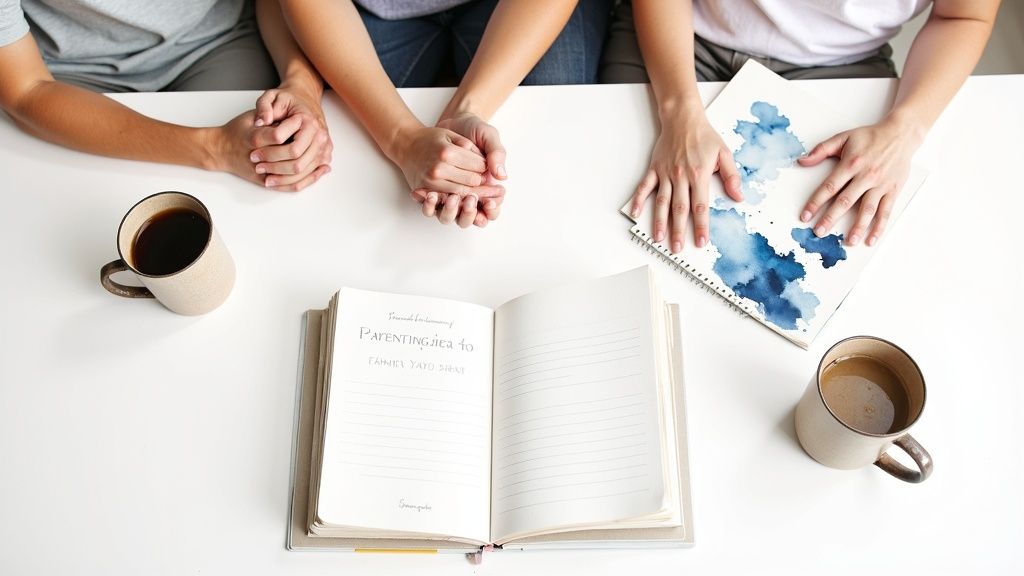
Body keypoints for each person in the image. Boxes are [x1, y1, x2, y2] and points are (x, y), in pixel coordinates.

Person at [600, 0, 999, 254]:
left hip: (844, 63)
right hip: (681, 31)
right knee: (611, 209)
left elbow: (963, 14)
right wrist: (679, 111)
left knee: (866, 237)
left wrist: (906, 128)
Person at [280, 0, 612, 228]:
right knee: (344, 139)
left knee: (553, 125)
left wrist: (467, 112)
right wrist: (404, 141)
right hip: (364, 9)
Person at [0, 0, 331, 192]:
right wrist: (215, 148)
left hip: (218, 42)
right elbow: (25, 91)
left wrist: (302, 84)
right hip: (71, 78)